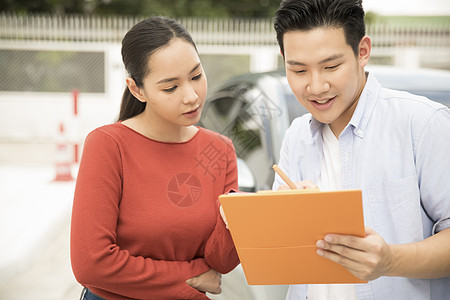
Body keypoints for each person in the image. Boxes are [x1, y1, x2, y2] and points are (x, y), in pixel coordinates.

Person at [272, 0, 450, 299]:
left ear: (362, 51)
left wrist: (390, 260)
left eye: (331, 66)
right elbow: (283, 249)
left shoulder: (422, 124)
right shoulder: (296, 135)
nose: (316, 87)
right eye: (299, 70)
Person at [70, 16, 240, 300]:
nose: (191, 96)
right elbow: (91, 264)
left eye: (196, 76)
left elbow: (220, 263)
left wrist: (238, 219)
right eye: (170, 87)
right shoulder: (108, 145)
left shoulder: (220, 150)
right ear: (137, 89)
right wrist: (189, 278)